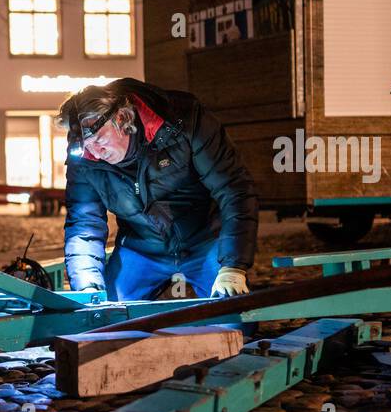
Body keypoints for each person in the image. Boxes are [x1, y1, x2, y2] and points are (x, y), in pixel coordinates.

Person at [56, 78, 258, 302]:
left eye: (99, 138)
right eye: (86, 145)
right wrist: (88, 286)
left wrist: (233, 266)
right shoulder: (85, 158)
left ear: (122, 118)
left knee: (234, 320)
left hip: (205, 240)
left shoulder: (184, 122)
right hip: (141, 248)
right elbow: (84, 223)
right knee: (107, 317)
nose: (95, 151)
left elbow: (233, 190)